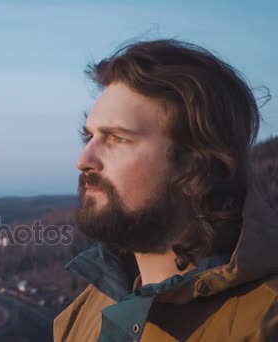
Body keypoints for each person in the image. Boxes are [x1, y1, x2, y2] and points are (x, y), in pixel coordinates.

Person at [54, 39, 278, 341]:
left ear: (194, 162)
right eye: (89, 136)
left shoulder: (264, 323)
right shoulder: (84, 314)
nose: (83, 160)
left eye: (117, 138)